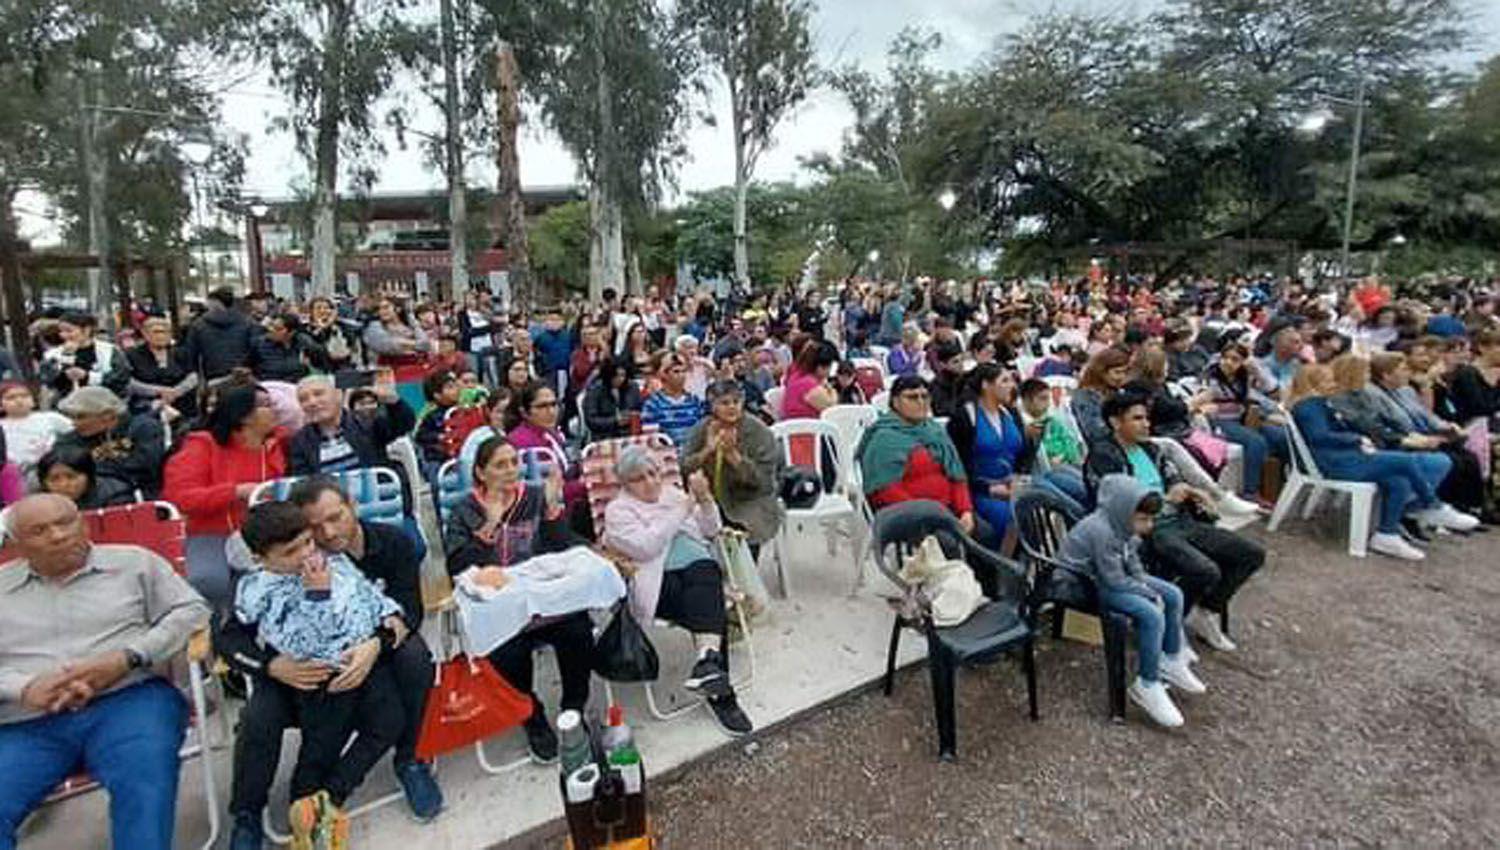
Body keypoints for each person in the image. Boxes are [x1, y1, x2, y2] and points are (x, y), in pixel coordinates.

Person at [216, 480, 441, 848]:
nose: (325, 535)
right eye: (313, 530)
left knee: (408, 677)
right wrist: (271, 666)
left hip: (362, 658)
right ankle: (254, 812)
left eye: (334, 518)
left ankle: (395, 767)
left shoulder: (380, 546)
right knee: (269, 722)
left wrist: (377, 640)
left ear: (353, 505)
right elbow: (231, 637)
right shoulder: (264, 584)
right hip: (304, 675)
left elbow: (402, 608)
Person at [0, 494, 210, 850]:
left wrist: (128, 657)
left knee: (143, 780)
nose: (57, 536)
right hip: (29, 718)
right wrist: (24, 687)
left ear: (82, 523)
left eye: (65, 523)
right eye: (39, 530)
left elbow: (192, 611)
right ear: (16, 545)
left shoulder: (134, 564)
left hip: (129, 698)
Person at [441, 436, 596, 763]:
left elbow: (560, 549)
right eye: (500, 465)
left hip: (542, 599)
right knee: (506, 649)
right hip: (499, 604)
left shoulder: (535, 497)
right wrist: (491, 524)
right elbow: (457, 565)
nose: (511, 470)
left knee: (579, 630)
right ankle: (531, 714)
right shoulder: (465, 510)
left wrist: (554, 510)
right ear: (481, 473)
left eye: (514, 462)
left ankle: (573, 709)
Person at [1084, 390, 1265, 651]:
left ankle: (1206, 611)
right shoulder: (1104, 456)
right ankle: (1171, 627)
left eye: (1146, 418)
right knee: (1205, 569)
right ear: (1115, 422)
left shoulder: (1150, 448)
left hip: (1178, 520)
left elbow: (1172, 477)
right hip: (1146, 529)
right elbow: (1119, 505)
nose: (1146, 424)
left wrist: (1191, 491)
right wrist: (1168, 499)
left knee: (1251, 554)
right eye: (1137, 418)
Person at [602, 446, 754, 736]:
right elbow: (647, 546)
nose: (650, 482)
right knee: (711, 603)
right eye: (638, 479)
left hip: (699, 571)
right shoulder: (618, 511)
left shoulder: (672, 493)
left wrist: (707, 501)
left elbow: (710, 531)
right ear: (625, 485)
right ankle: (719, 689)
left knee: (706, 572)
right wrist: (684, 507)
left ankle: (708, 666)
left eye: (653, 473)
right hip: (658, 584)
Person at [1057, 476, 1205, 728]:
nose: (1148, 525)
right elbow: (1113, 581)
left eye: (1150, 519)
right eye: (1143, 519)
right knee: (1151, 613)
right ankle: (1146, 683)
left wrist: (1144, 585)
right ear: (1123, 510)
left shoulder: (1124, 527)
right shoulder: (1100, 530)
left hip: (1109, 577)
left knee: (1172, 594)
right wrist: (1146, 592)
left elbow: (1133, 564)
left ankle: (1170, 657)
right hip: (1083, 584)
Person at [1288, 366, 1473, 562]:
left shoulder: (1319, 404)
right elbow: (1318, 436)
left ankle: (1387, 533)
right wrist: (1356, 439)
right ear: (1312, 384)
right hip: (1335, 463)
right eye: (1327, 380)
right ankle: (1431, 505)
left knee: (1397, 479)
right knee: (1405, 460)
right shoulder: (1308, 406)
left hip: (1344, 457)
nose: (1333, 384)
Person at [161, 384, 288, 607]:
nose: (275, 409)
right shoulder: (202, 445)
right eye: (266, 405)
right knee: (207, 581)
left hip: (268, 532)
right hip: (212, 533)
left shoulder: (280, 443)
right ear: (244, 415)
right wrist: (236, 492)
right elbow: (180, 497)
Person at [858, 375, 1002, 561]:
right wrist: (932, 515)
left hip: (947, 511)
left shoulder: (934, 431)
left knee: (986, 533)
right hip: (910, 514)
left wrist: (965, 510)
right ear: (895, 402)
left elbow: (956, 476)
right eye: (912, 397)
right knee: (948, 543)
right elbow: (884, 491)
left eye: (925, 396)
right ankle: (949, 589)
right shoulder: (884, 439)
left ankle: (983, 589)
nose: (921, 402)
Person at [1326, 354, 1477, 531]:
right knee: (1411, 463)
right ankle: (1427, 506)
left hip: (1381, 444)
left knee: (1444, 460)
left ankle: (1414, 508)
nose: (1368, 376)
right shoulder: (1340, 399)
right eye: (1365, 372)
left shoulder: (1362, 395)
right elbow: (1367, 427)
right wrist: (1405, 439)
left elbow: (1381, 423)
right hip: (1364, 450)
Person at [681, 381, 785, 550]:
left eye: (736, 402)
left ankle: (746, 573)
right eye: (724, 403)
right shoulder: (702, 429)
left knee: (744, 534)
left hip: (749, 503)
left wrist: (733, 456)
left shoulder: (759, 432)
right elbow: (684, 469)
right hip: (708, 502)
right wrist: (707, 450)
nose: (732, 407)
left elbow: (764, 484)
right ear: (712, 406)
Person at [946, 364, 1034, 542]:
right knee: (1012, 516)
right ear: (986, 385)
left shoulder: (1010, 412)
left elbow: (1025, 453)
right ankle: (1005, 565)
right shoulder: (965, 418)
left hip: (1013, 483)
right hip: (980, 490)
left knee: (1049, 500)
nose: (1012, 386)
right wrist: (989, 489)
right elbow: (958, 465)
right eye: (1005, 381)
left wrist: (1018, 478)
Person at [287, 373, 416, 478]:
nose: (312, 402)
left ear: (338, 395)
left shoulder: (365, 422)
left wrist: (392, 400)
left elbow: (405, 424)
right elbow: (303, 482)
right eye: (304, 399)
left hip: (374, 499)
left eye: (318, 394)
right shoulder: (300, 441)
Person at [1203, 341, 1286, 499]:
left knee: (1279, 436)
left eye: (1235, 359)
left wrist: (1255, 369)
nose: (1228, 362)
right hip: (1220, 422)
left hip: (1242, 421)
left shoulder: (1243, 379)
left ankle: (1281, 485)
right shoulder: (1212, 378)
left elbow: (1271, 390)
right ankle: (1250, 492)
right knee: (1256, 442)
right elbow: (1204, 402)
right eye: (1225, 358)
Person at [53, 386, 167, 498]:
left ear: (107, 415)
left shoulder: (144, 428)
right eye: (72, 417)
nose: (74, 423)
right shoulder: (69, 440)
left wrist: (93, 470)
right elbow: (65, 468)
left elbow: (145, 467)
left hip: (142, 495)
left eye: (81, 417)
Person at [508, 381, 588, 521]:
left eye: (554, 404)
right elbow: (546, 494)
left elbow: (565, 471)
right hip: (543, 520)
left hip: (567, 508)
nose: (551, 411)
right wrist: (586, 485)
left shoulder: (551, 433)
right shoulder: (523, 443)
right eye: (542, 406)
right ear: (524, 412)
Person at [38, 311, 130, 399]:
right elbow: (48, 380)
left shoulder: (109, 350)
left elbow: (121, 378)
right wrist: (66, 357)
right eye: (61, 331)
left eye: (69, 331)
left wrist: (87, 376)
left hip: (105, 402)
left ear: (86, 330)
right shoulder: (52, 355)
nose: (64, 335)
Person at [126, 316, 200, 423]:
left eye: (165, 332)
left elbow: (193, 377)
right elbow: (129, 382)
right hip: (146, 408)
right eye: (156, 332)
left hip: (182, 407)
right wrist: (158, 391)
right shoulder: (132, 355)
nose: (161, 336)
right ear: (145, 333)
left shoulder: (181, 353)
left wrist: (175, 392)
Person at [0, 381, 72, 485]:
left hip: (49, 471)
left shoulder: (50, 418)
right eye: (11, 398)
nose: (19, 400)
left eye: (25, 396)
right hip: (12, 477)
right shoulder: (2, 425)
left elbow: (76, 432)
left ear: (33, 400)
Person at [185, 287, 260, 385]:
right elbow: (256, 349)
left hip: (214, 379)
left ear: (215, 302)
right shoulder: (248, 322)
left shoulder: (198, 325)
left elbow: (191, 356)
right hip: (244, 376)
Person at [35, 444, 138, 509]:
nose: (63, 484)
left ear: (89, 475)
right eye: (54, 479)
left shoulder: (116, 495)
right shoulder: (39, 502)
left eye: (71, 477)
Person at [641, 353, 707, 447]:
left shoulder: (694, 401)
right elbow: (651, 438)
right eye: (676, 372)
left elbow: (702, 432)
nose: (682, 375)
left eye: (684, 371)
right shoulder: (652, 404)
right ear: (664, 375)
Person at [1071, 346, 1132, 445]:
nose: (1122, 377)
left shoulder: (1119, 392)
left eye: (1125, 372)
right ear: (1101, 372)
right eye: (1117, 372)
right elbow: (1094, 431)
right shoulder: (1086, 396)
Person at [249, 313, 327, 384]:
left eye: (278, 329)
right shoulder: (258, 344)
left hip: (297, 388)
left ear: (291, 332)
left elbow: (322, 360)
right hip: (270, 388)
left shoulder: (302, 343)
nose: (271, 330)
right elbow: (246, 368)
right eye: (271, 326)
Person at [583, 356, 643, 441]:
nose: (620, 379)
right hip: (605, 436)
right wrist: (615, 421)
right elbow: (591, 420)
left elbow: (640, 409)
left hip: (630, 434)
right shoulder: (595, 391)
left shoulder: (633, 387)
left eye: (623, 375)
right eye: (616, 376)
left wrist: (633, 416)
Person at [413, 370, 461, 470]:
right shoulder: (431, 415)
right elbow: (420, 436)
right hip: (438, 458)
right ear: (437, 395)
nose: (456, 390)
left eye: (455, 386)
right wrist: (439, 437)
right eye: (450, 387)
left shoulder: (462, 411)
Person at [780, 340, 839, 420]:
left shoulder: (796, 373)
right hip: (806, 428)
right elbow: (832, 407)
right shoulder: (808, 384)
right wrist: (831, 390)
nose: (829, 371)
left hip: (792, 425)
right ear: (820, 367)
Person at [928, 339, 967, 419]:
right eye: (955, 362)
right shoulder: (937, 385)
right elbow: (943, 410)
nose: (961, 365)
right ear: (942, 364)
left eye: (962, 360)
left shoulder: (964, 379)